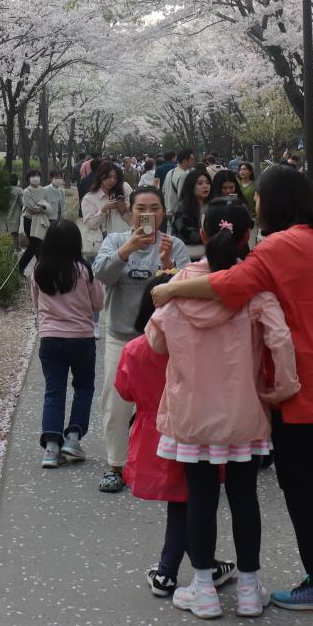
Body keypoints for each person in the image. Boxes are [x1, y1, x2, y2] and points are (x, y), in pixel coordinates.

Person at [152, 166, 313, 614]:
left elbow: (233, 284)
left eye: (258, 196)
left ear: (276, 200)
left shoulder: (285, 244)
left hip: (301, 382)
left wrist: (169, 291)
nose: (255, 203)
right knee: (312, 478)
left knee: (299, 483)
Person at [148, 200, 300, 619]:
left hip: (191, 412)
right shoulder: (255, 289)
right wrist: (281, 389)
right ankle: (250, 589)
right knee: (244, 496)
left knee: (200, 497)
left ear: (202, 235)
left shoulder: (176, 284)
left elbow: (156, 342)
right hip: (242, 413)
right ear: (247, 237)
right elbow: (281, 341)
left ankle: (203, 589)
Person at [112, 276, 237, 601]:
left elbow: (125, 390)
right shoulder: (195, 347)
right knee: (189, 501)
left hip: (152, 435)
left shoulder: (134, 349)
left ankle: (201, 564)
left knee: (182, 502)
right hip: (191, 430)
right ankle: (171, 572)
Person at [92, 187, 191, 493]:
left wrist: (166, 265)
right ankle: (115, 465)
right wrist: (126, 251)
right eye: (140, 208)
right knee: (116, 402)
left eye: (154, 208)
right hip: (121, 336)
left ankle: (165, 463)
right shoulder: (116, 240)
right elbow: (102, 276)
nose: (147, 214)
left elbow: (185, 291)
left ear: (163, 213)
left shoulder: (174, 245)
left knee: (168, 403)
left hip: (162, 341)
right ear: (131, 211)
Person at [33, 222, 104, 468]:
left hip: (50, 338)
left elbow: (37, 302)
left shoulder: (40, 269)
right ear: (77, 243)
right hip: (81, 338)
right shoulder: (84, 270)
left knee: (54, 390)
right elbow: (98, 304)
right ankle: (72, 438)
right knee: (84, 388)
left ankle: (51, 448)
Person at [80, 161, 133, 263]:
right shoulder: (89, 198)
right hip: (99, 241)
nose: (112, 180)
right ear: (101, 176)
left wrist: (123, 210)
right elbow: (90, 224)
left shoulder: (123, 191)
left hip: (121, 239)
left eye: (115, 178)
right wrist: (104, 209)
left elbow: (132, 220)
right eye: (109, 177)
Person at [170, 169, 211, 259]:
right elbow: (187, 234)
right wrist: (213, 237)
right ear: (191, 186)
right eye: (200, 183)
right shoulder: (182, 208)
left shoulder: (212, 205)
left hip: (208, 254)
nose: (205, 186)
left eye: (207, 183)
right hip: (188, 255)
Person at [18, 169, 53, 274]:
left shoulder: (43, 190)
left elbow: (48, 205)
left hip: (41, 221)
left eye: (37, 175)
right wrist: (42, 206)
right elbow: (31, 207)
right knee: (36, 244)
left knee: (35, 245)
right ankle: (42, 269)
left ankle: (22, 268)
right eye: (33, 175)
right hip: (29, 221)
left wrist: (41, 206)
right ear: (28, 178)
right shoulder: (26, 191)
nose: (35, 177)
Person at [162, 149, 196, 216]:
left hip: (169, 211)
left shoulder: (170, 172)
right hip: (179, 213)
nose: (194, 161)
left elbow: (163, 190)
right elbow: (183, 197)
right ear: (184, 161)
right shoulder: (184, 175)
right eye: (192, 159)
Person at [5, 173, 24, 254]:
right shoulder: (19, 190)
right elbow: (22, 203)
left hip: (5, 214)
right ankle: (17, 249)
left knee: (7, 232)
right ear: (16, 180)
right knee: (15, 233)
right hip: (15, 215)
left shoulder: (4, 189)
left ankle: (9, 248)